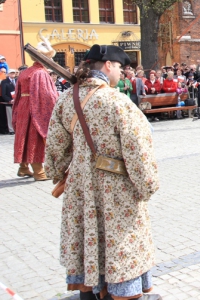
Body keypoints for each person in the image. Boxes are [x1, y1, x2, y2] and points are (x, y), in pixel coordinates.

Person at [44, 44, 160, 300]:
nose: (121, 72)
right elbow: (138, 150)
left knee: (87, 238)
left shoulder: (66, 99)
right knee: (121, 243)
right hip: (116, 189)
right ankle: (119, 293)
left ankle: (90, 292)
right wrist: (147, 185)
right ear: (108, 65)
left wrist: (57, 172)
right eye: (119, 67)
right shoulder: (117, 102)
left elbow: (54, 147)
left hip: (80, 188)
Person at [12, 40, 59, 180]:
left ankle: (23, 167)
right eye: (49, 57)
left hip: (23, 107)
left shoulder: (26, 72)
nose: (51, 60)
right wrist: (57, 104)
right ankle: (39, 172)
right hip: (34, 108)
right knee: (35, 138)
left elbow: (18, 93)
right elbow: (46, 94)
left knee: (23, 137)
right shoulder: (40, 73)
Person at [1, 68, 17, 135]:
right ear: (8, 74)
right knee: (10, 116)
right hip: (9, 102)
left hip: (17, 101)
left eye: (14, 73)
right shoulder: (4, 82)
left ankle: (17, 128)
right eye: (11, 73)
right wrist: (9, 100)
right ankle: (11, 129)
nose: (13, 74)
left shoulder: (17, 80)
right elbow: (3, 94)